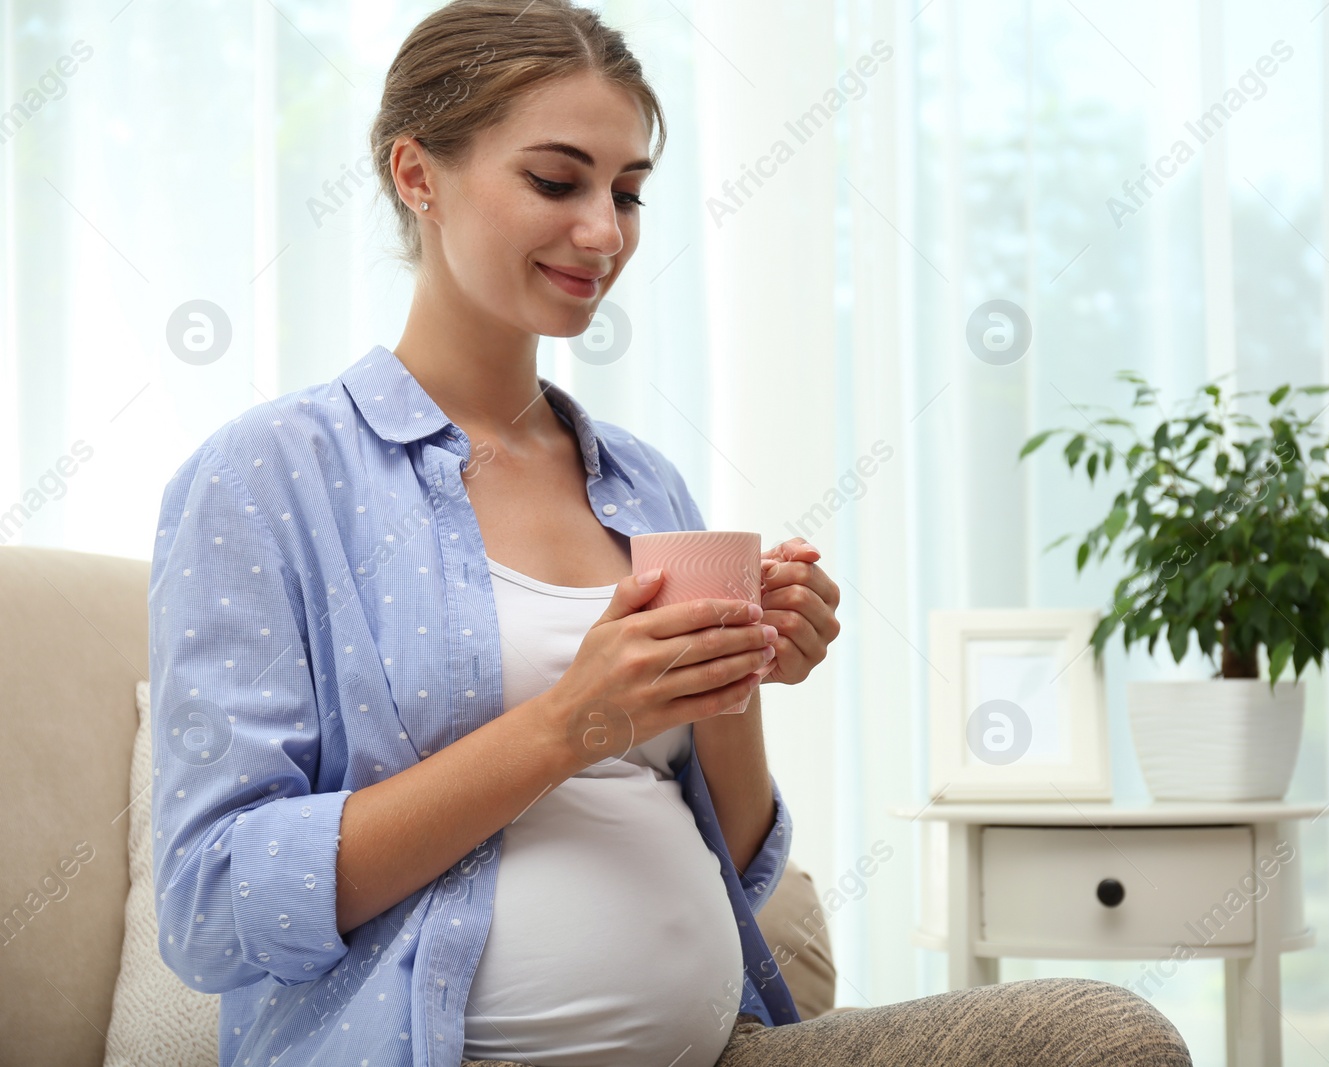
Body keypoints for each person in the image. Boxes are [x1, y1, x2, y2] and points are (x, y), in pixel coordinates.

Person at [147, 2, 1192, 1065]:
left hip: (719, 1045)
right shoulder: (269, 477)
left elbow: (734, 864)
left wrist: (731, 678)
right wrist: (568, 723)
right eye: (557, 182)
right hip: (429, 1046)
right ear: (417, 174)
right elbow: (213, 906)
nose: (604, 232)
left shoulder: (643, 482)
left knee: (1099, 1036)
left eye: (629, 192)